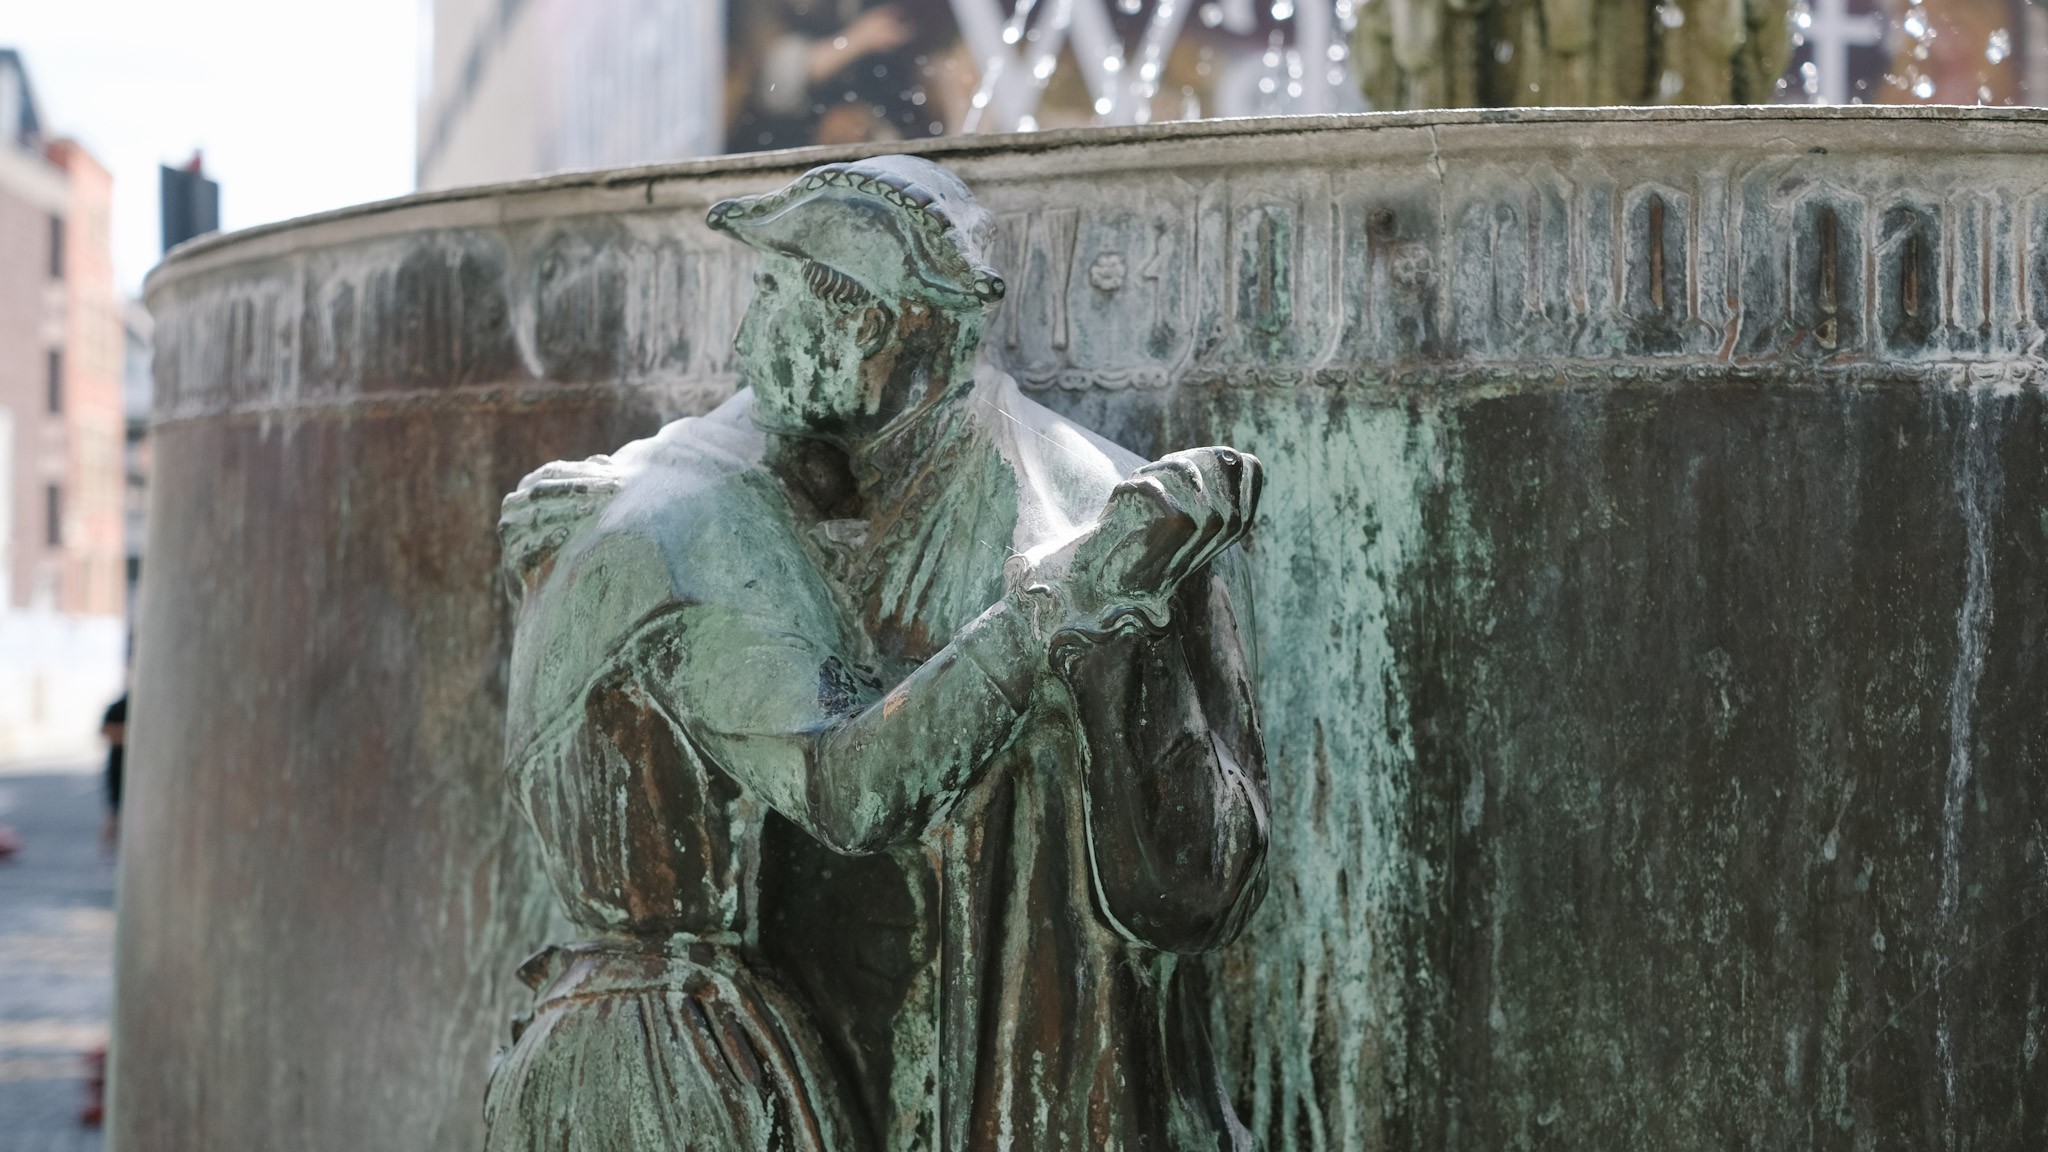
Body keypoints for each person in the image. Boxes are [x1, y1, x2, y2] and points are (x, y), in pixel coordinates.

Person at [488, 155, 1267, 1151]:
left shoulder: (1084, 505)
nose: (741, 339)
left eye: (769, 295)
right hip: (708, 1047)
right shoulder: (700, 503)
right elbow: (850, 784)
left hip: (1002, 1069)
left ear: (863, 326)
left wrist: (1105, 637)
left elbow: (1190, 884)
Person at [100, 693, 127, 848]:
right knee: (113, 812)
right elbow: (105, 732)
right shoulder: (118, 705)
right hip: (117, 769)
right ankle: (108, 853)